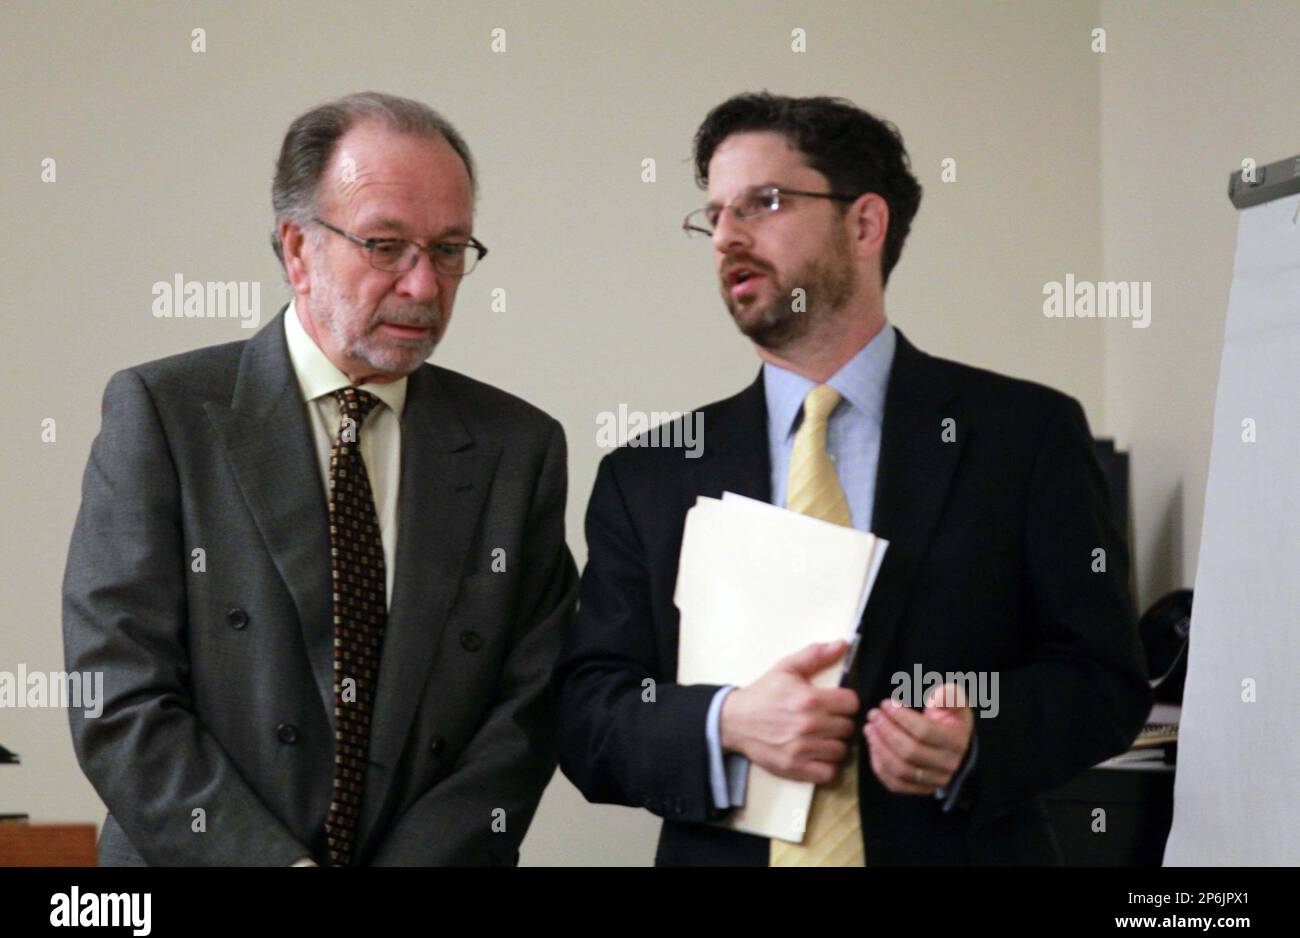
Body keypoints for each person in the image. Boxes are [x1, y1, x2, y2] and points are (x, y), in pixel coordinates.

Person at [556, 92, 1152, 866]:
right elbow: (586, 714)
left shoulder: (1025, 436)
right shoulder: (650, 474)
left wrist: (978, 738)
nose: (727, 236)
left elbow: (1103, 678)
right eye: (714, 215)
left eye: (762, 203)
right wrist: (726, 724)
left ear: (865, 223)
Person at [63, 92, 578, 866]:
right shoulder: (165, 416)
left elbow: (525, 712)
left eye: (449, 249)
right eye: (385, 246)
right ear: (296, 248)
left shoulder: (517, 447)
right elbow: (119, 695)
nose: (423, 287)